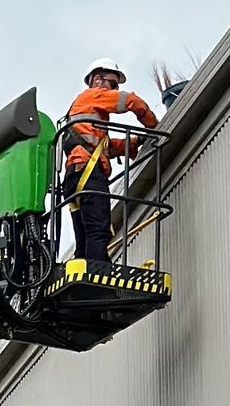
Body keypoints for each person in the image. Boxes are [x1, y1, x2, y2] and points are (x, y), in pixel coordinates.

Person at [64, 62, 159, 268]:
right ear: (96, 79)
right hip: (88, 174)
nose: (115, 90)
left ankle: (83, 276)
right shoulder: (93, 95)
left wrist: (132, 144)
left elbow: (104, 147)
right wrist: (155, 125)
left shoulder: (85, 116)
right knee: (99, 230)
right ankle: (100, 276)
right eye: (113, 84)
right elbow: (131, 102)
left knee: (85, 239)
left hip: (74, 177)